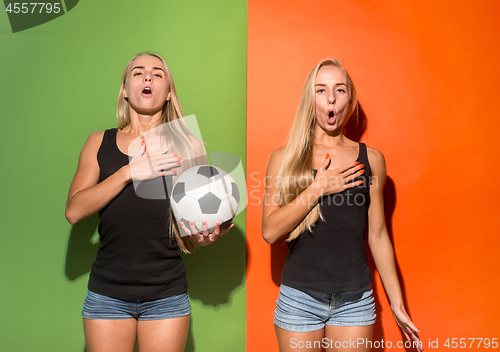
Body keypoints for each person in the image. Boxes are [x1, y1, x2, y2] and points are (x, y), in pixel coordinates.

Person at [65, 52, 231, 352]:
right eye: (138, 72)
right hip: (107, 294)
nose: (148, 77)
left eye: (157, 73)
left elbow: (191, 229)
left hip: (166, 294)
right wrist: (129, 172)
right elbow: (74, 211)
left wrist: (205, 236)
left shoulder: (188, 144)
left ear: (168, 93)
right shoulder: (97, 142)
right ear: (125, 90)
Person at [262, 59, 423, 352]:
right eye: (321, 90)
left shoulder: (371, 159)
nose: (331, 98)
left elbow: (377, 235)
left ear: (351, 100)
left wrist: (397, 304)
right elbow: (270, 232)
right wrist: (318, 188)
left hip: (355, 302)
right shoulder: (283, 157)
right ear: (310, 100)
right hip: (299, 300)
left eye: (340, 89)